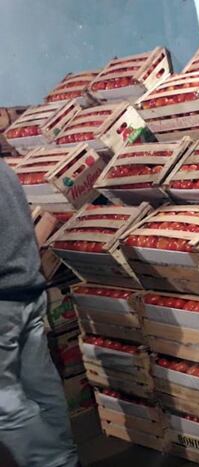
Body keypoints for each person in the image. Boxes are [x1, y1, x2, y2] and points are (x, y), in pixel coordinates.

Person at [0, 158, 79, 467]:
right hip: (28, 289)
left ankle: (54, 462)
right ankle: (65, 455)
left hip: (3, 298)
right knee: (41, 387)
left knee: (5, 402)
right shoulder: (4, 169)